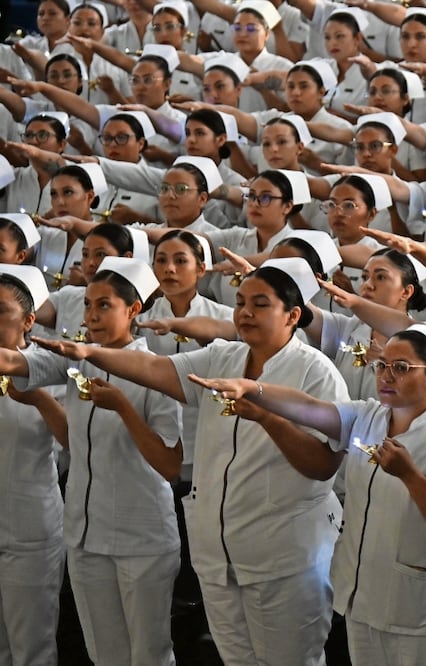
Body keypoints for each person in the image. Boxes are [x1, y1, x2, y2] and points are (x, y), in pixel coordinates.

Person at [30, 257, 349, 664]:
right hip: (218, 555)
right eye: (239, 302)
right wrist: (87, 351)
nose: (245, 313)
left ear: (293, 315)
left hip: (285, 556)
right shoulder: (222, 358)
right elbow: (152, 366)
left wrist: (266, 417)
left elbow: (323, 465)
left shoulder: (316, 373)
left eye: (260, 304)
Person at [188, 324, 426, 665]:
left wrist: (410, 475)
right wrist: (253, 387)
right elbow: (308, 407)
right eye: (382, 365)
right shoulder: (367, 416)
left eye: (401, 368)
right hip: (362, 598)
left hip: (418, 606)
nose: (386, 376)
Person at [0, 257, 181, 664]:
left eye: (104, 305)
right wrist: (37, 391)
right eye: (86, 305)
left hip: (141, 536)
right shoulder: (76, 361)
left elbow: (170, 465)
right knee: (104, 655)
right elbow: (15, 362)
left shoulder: (157, 372)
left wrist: (123, 408)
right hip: (85, 534)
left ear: (133, 310)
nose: (92, 316)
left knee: (149, 654)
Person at [0, 265, 66, 664]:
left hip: (30, 528)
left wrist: (41, 398)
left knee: (32, 648)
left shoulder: (53, 369)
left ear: (28, 321)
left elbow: (78, 441)